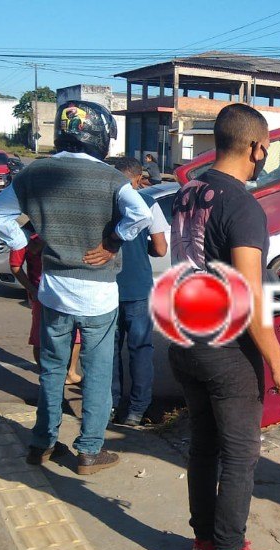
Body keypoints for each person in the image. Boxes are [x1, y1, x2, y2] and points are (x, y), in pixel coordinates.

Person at [169, 103, 280, 550]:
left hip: (184, 339)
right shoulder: (242, 205)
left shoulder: (188, 193)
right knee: (242, 454)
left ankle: (204, 541)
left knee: (204, 446)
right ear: (257, 147)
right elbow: (249, 298)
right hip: (226, 351)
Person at [0, 100, 152, 475]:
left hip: (53, 289)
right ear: (101, 137)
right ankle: (89, 451)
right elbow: (140, 215)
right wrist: (113, 242)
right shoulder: (112, 178)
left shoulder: (34, 173)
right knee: (96, 370)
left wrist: (22, 243)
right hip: (99, 293)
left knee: (52, 368)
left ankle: (42, 442)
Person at [111, 157, 169, 426]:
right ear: (135, 179)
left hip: (105, 288)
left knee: (106, 351)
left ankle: (108, 405)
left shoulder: (103, 202)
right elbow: (160, 248)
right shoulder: (147, 203)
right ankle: (137, 409)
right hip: (137, 287)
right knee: (140, 349)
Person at [9, 225, 82, 385]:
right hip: (42, 294)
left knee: (76, 334)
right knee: (40, 337)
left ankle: (71, 372)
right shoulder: (24, 234)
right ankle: (46, 377)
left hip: (69, 291)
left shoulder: (62, 226)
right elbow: (15, 266)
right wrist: (32, 290)